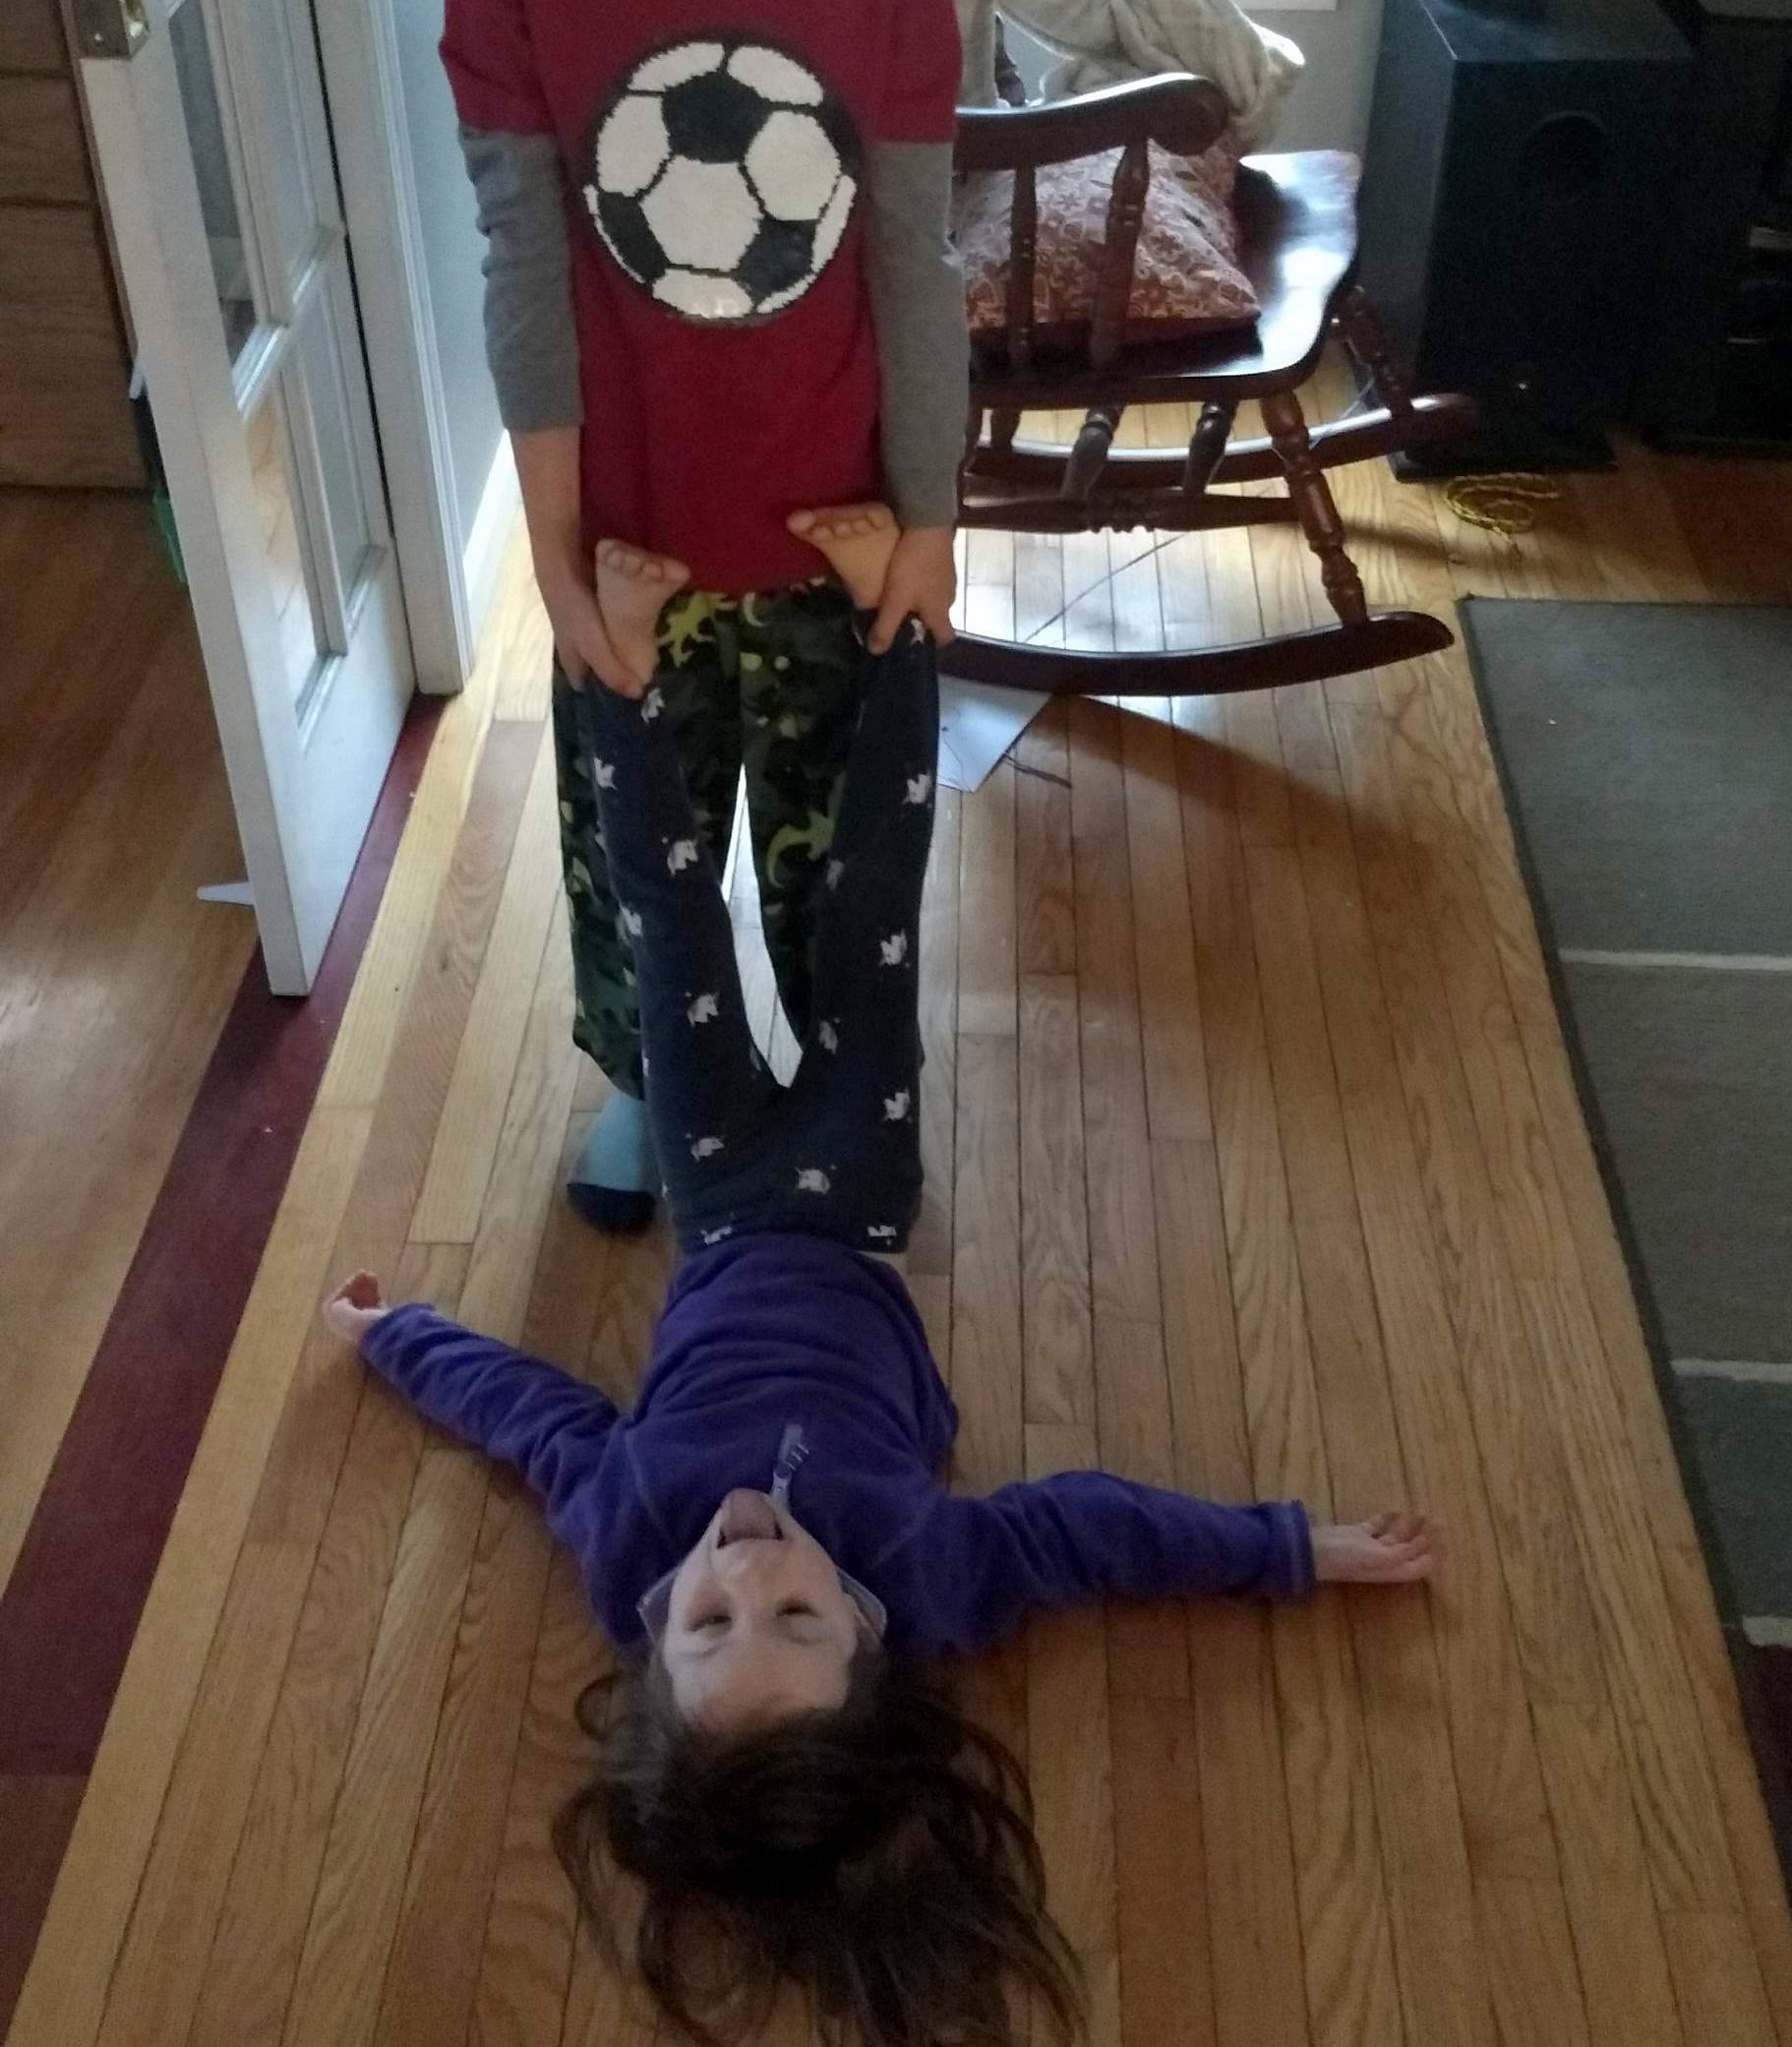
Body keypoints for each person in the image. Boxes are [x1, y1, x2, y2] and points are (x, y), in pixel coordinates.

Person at [326, 515, 1440, 2047]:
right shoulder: (927, 1573)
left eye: (710, 1624)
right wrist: (1290, 1547)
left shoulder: (624, 1532)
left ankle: (623, 680)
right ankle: (900, 632)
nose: (749, 1565)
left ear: (653, 1651)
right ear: (868, 1642)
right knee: (870, 924)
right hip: (854, 1207)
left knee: (672, 931)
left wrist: (393, 1333)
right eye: (797, 1613)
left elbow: (524, 1414)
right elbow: (1092, 1530)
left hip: (719, 1202)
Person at [440, 0, 970, 1236]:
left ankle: (832, 1120)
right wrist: (556, 555)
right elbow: (525, 256)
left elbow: (911, 249)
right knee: (631, 869)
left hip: (839, 531)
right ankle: (648, 1087)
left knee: (843, 880)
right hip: (635, 545)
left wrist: (932, 521)